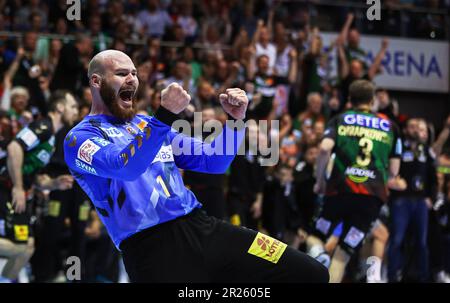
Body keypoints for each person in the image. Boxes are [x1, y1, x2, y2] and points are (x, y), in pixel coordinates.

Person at [63, 50, 329, 283]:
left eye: (134, 73)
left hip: (203, 229)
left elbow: (213, 160)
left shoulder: (146, 124)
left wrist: (235, 121)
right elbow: (125, 167)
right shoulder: (79, 139)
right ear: (96, 82)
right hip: (150, 251)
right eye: (122, 73)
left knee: (310, 272)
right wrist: (165, 116)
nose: (132, 78)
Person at [305, 79, 403, 283]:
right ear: (373, 100)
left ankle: (317, 254)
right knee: (343, 254)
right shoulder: (390, 125)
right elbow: (394, 171)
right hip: (371, 199)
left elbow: (324, 149)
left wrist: (321, 180)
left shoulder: (341, 119)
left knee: (315, 238)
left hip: (339, 191)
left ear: (349, 99)